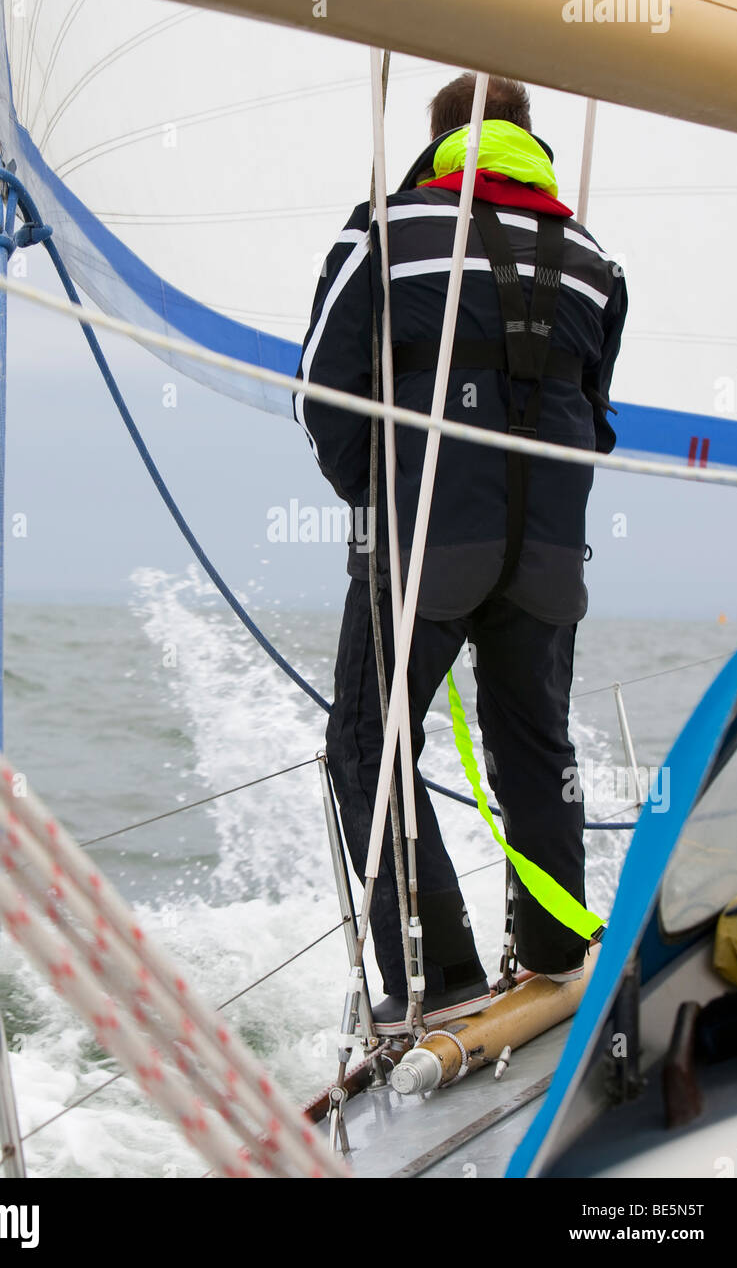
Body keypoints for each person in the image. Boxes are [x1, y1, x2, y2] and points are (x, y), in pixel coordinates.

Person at [294, 74, 627, 1034]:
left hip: (425, 545)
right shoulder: (595, 261)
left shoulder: (388, 233)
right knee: (535, 749)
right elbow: (593, 418)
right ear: (532, 139)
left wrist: (378, 498)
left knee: (367, 746)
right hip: (551, 561)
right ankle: (559, 959)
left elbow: (324, 387)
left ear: (438, 146)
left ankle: (442, 979)